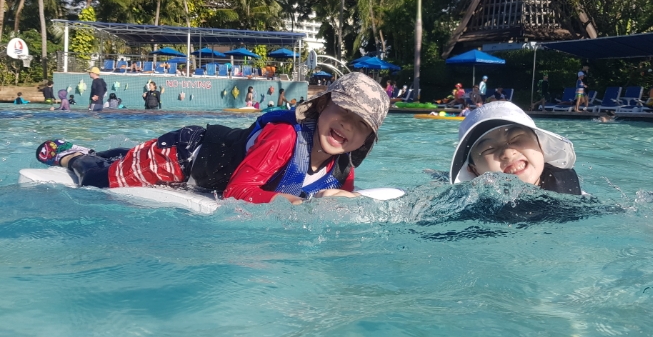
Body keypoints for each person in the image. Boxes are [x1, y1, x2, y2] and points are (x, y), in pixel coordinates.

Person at [35, 73, 390, 205]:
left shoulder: (342, 168)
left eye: (361, 125)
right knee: (99, 181)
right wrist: (301, 203)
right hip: (184, 155)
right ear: (322, 106)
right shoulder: (284, 137)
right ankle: (74, 155)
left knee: (127, 160)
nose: (347, 127)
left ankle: (121, 154)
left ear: (366, 139)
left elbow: (338, 196)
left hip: (206, 169)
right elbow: (238, 191)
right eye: (343, 112)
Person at [449, 101, 581, 195]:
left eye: (516, 138)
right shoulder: (470, 204)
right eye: (489, 148)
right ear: (474, 170)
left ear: (540, 144)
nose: (507, 153)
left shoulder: (571, 192)